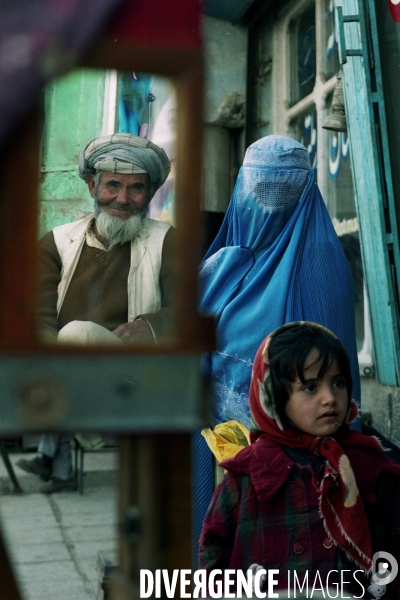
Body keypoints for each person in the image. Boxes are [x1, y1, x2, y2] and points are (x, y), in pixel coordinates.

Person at [17, 132, 175, 493]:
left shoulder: (166, 240)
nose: (123, 198)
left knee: (77, 334)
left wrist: (148, 327)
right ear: (92, 186)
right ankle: (62, 458)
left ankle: (56, 447)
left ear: (150, 194)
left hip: (135, 372)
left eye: (136, 188)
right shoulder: (57, 242)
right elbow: (38, 318)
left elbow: (188, 309)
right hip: (66, 368)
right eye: (113, 185)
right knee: (68, 339)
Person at [199, 322, 400, 598]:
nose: (330, 398)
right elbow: (212, 570)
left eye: (338, 383)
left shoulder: (372, 470)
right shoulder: (244, 479)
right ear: (273, 397)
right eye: (310, 387)